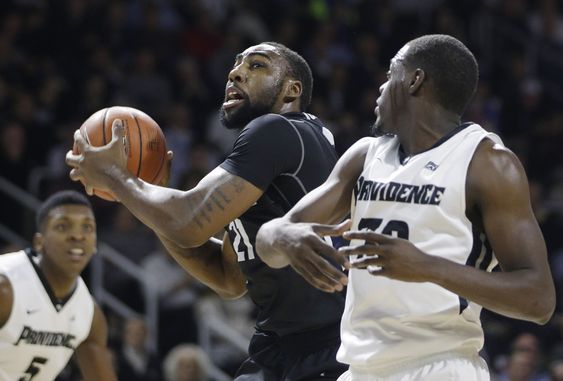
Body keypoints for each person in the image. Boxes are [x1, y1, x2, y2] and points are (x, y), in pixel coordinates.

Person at [255, 34, 556, 380]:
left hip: (440, 365)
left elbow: (539, 300)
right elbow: (269, 241)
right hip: (360, 368)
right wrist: (286, 238)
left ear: (415, 80)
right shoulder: (365, 155)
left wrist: (428, 267)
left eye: (390, 74)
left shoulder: (486, 163)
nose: (380, 88)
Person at [66, 42, 347, 379]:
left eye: (257, 65)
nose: (236, 72)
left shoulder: (276, 130)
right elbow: (228, 279)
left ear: (291, 91)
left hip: (324, 348)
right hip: (283, 346)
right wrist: (152, 202)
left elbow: (188, 222)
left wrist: (116, 177)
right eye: (236, 64)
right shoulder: (285, 147)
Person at [0, 190, 118, 381]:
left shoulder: (89, 314)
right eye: (63, 226)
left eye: (87, 227)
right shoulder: (6, 287)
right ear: (40, 242)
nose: (77, 236)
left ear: (95, 242)